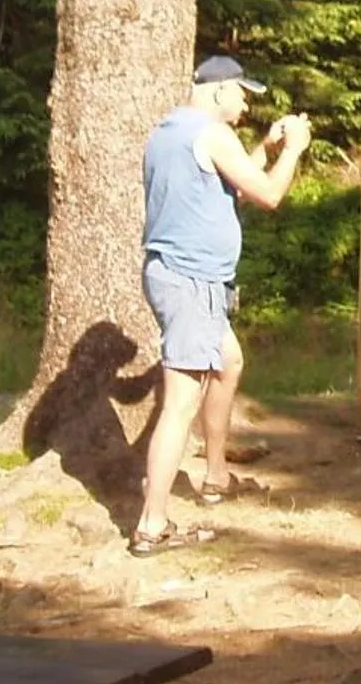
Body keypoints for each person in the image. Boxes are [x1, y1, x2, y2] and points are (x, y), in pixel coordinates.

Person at [130, 55, 312, 556]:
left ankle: (215, 476)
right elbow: (267, 194)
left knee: (228, 362)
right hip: (192, 283)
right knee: (179, 404)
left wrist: (265, 148)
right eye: (240, 94)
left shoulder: (169, 131)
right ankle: (152, 525)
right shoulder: (212, 134)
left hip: (177, 276)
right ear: (216, 91)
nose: (244, 105)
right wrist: (293, 150)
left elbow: (228, 182)